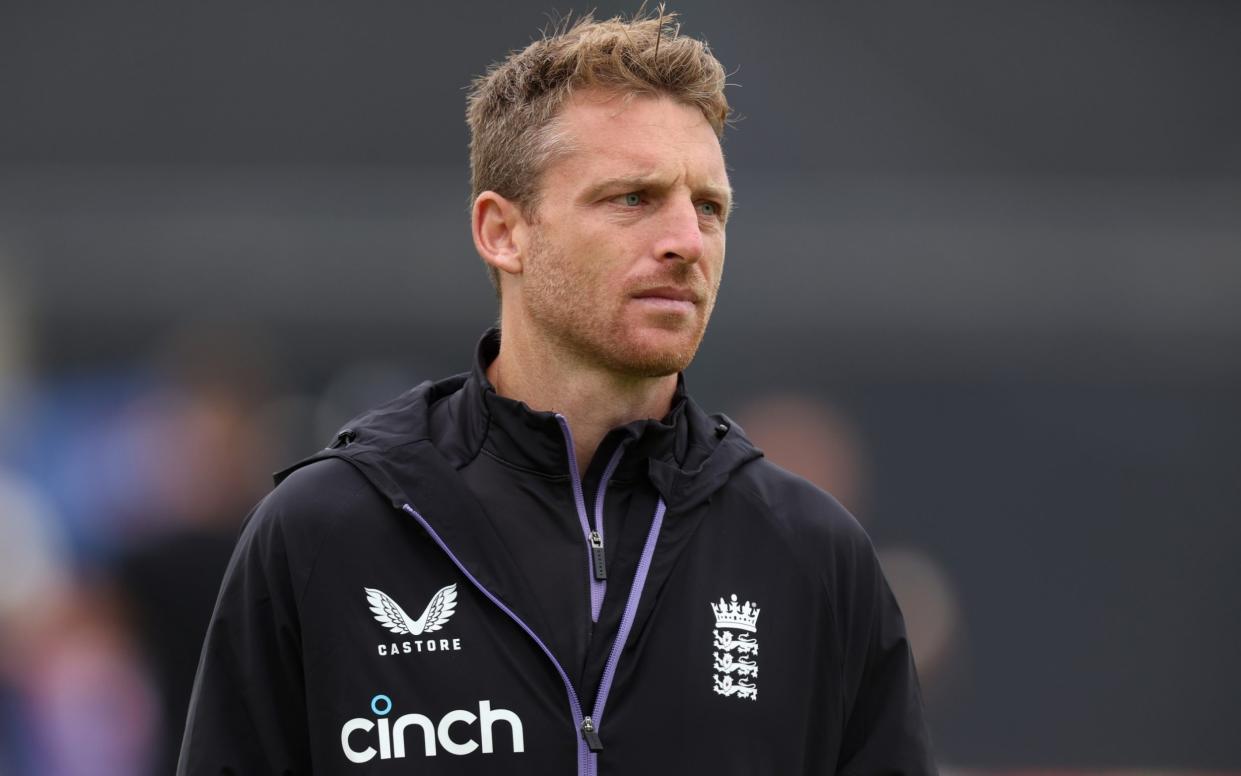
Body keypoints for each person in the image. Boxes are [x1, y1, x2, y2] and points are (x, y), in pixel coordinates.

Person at [178, 10, 936, 775]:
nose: (685, 241)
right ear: (502, 232)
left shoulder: (811, 556)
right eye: (632, 198)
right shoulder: (326, 533)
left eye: (708, 207)